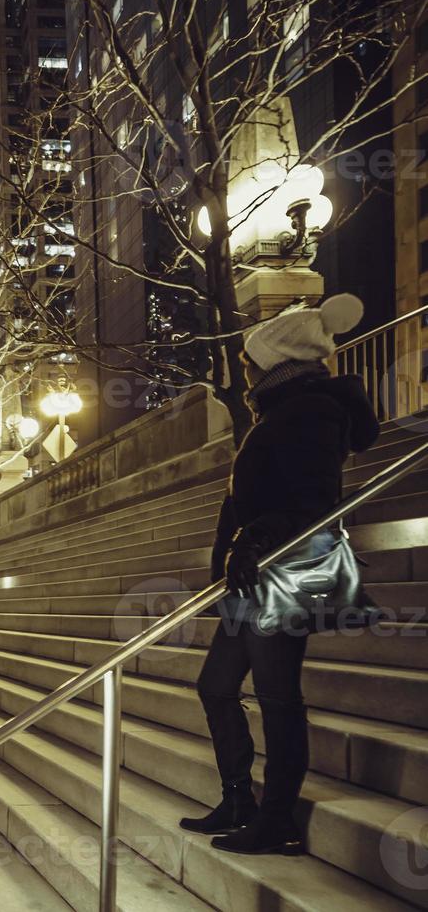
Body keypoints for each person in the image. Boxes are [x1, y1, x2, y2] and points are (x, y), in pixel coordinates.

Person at [179, 294, 380, 855]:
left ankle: (279, 820)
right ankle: (240, 797)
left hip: (283, 574)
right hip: (253, 576)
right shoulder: (282, 410)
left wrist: (257, 534)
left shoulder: (311, 411)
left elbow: (315, 501)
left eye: (250, 361)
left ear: (279, 360)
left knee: (277, 698)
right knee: (216, 686)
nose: (244, 369)